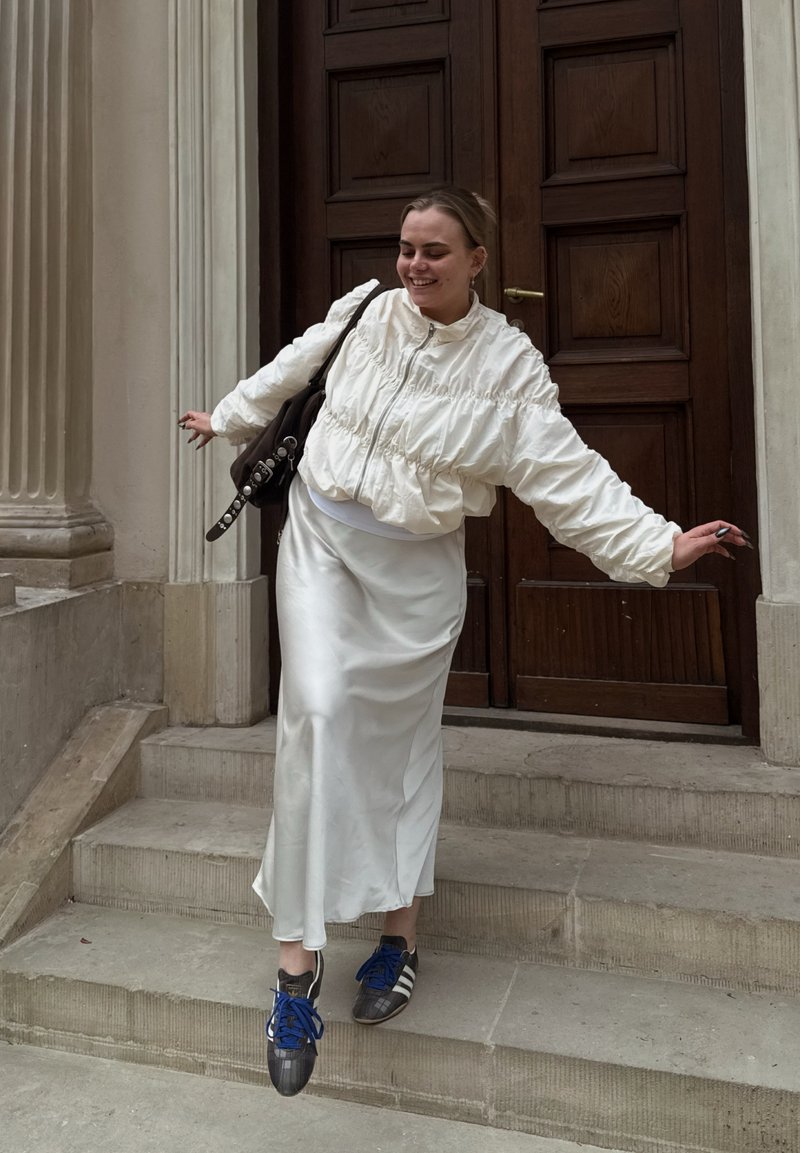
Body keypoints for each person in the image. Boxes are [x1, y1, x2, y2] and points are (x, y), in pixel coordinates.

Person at [180, 187, 751, 1097]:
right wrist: (232, 414)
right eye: (407, 247)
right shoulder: (367, 308)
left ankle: (398, 937)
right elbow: (300, 363)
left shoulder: (510, 368)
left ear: (479, 259)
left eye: (435, 251)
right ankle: (296, 971)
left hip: (414, 580)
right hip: (322, 548)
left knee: (400, 752)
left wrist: (657, 546)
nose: (414, 265)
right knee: (316, 719)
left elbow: (568, 476)